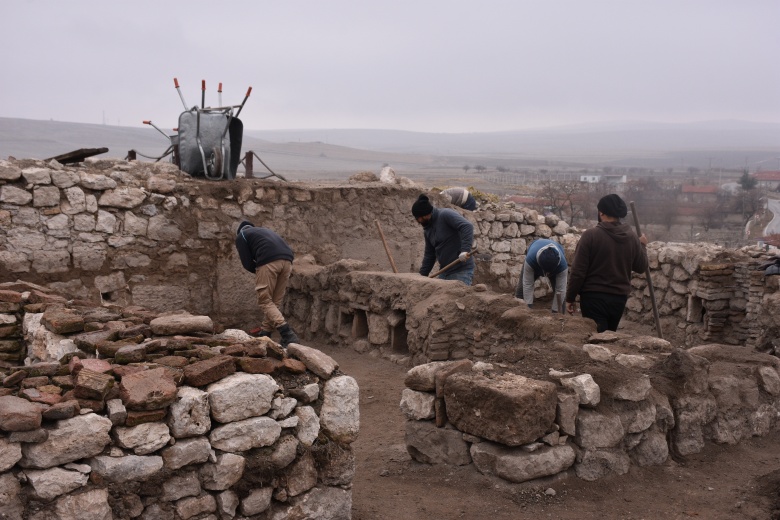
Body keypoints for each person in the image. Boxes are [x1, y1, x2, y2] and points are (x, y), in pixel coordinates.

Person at [565, 194, 649, 332]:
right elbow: (641, 267)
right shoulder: (631, 237)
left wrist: (570, 297)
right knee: (610, 338)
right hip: (619, 299)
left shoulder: (590, 235)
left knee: (596, 340)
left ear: (601, 212)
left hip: (593, 298)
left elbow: (578, 271)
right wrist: (643, 246)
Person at [235, 220, 300, 347]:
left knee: (264, 300)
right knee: (274, 302)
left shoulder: (241, 235)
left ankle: (288, 334)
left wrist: (260, 272)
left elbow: (247, 262)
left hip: (269, 260)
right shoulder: (263, 231)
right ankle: (265, 334)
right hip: (287, 261)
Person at [412, 194, 475, 285]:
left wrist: (465, 250)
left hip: (461, 271)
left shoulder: (445, 214)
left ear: (424, 215)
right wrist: (422, 276)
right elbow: (430, 255)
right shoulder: (428, 229)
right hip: (444, 272)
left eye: (418, 218)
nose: (418, 221)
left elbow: (467, 226)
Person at [515, 238, 568, 312]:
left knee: (561, 298)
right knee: (521, 291)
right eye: (546, 272)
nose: (547, 275)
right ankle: (517, 314)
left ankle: (561, 319)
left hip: (555, 269)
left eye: (549, 273)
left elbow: (561, 290)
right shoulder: (530, 260)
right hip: (534, 263)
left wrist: (556, 314)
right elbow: (527, 284)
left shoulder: (562, 266)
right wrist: (527, 309)